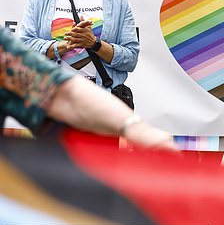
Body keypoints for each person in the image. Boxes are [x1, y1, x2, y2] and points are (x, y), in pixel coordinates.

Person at [0, 27, 173, 150]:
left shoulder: (3, 49)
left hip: (96, 107)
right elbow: (29, 44)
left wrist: (134, 127)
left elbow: (61, 92)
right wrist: (63, 46)